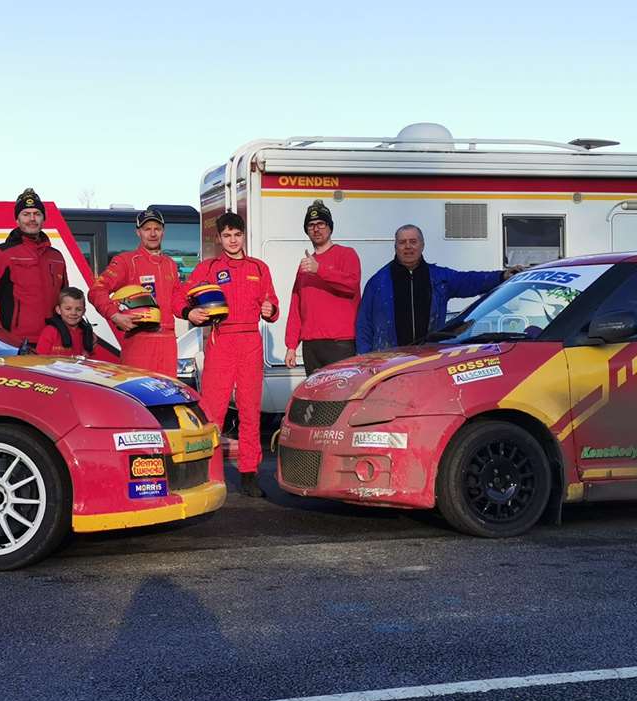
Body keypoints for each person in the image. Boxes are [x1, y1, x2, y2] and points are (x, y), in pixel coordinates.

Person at [184, 211, 278, 498]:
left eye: (237, 235)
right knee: (214, 412)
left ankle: (249, 474)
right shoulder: (208, 268)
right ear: (219, 238)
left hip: (250, 340)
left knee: (251, 411)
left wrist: (270, 310)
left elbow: (272, 301)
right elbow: (183, 297)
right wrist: (191, 312)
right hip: (220, 341)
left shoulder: (258, 268)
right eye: (227, 235)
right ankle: (210, 473)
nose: (233, 240)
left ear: (243, 236)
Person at [355, 224, 517, 353]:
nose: (408, 247)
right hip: (389, 360)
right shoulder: (377, 283)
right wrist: (365, 358)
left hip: (428, 358)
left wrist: (501, 277)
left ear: (422, 245)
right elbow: (364, 324)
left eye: (413, 241)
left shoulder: (439, 278)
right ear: (395, 247)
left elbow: (470, 281)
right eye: (402, 242)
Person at [88, 206, 183, 377]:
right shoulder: (126, 261)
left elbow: (176, 300)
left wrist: (190, 312)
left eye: (157, 229)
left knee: (166, 397)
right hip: (139, 340)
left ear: (163, 231)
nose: (152, 234)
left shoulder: (170, 264)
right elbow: (96, 290)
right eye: (147, 229)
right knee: (137, 399)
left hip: (168, 342)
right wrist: (115, 315)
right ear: (138, 232)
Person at [0, 188, 68, 347]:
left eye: (37, 214)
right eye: (26, 214)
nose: (32, 218)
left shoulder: (56, 257)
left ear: (43, 219)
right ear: (17, 220)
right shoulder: (3, 253)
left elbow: (66, 299)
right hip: (19, 344)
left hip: (54, 341)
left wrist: (79, 330)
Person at [283, 200, 361, 374]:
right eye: (311, 225)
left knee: (340, 399)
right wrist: (291, 345)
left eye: (321, 224)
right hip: (311, 344)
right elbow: (296, 306)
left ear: (330, 227)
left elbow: (351, 285)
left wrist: (320, 270)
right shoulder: (305, 266)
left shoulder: (346, 254)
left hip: (340, 343)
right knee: (316, 398)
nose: (316, 229)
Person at [36, 287, 106, 358]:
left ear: (84, 311)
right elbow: (40, 359)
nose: (73, 313)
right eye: (68, 309)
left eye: (78, 309)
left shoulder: (88, 335)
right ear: (58, 310)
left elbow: (91, 361)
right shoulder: (50, 332)